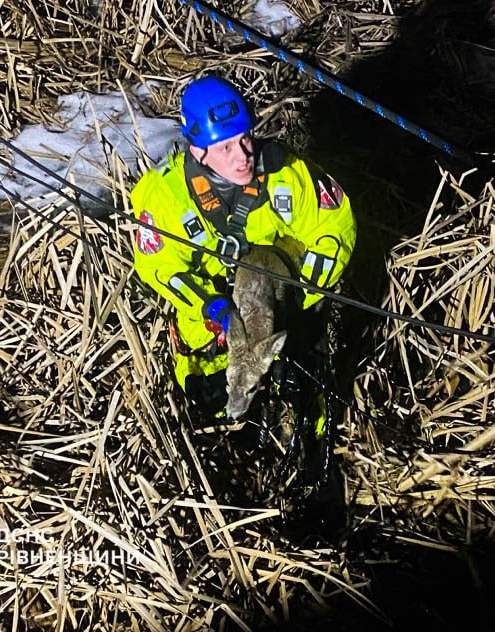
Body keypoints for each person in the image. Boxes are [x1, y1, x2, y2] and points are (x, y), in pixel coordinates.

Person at [131, 75, 357, 423]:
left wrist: (294, 301)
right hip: (211, 317)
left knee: (305, 390)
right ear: (197, 149)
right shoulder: (164, 197)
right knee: (207, 399)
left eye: (245, 138)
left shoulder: (288, 174)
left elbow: (334, 229)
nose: (243, 156)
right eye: (225, 147)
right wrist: (213, 307)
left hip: (286, 305)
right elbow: (158, 266)